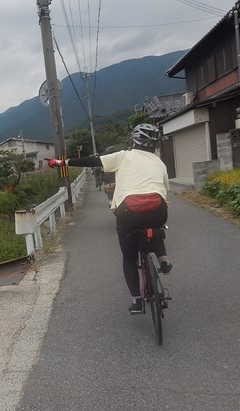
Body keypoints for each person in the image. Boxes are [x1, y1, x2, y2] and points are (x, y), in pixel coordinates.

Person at [46, 123, 172, 315]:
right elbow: (164, 190)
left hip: (128, 211)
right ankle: (163, 260)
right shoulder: (159, 163)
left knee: (129, 257)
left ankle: (137, 300)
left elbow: (93, 161)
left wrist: (62, 163)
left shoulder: (123, 156)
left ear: (133, 142)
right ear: (154, 145)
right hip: (158, 208)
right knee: (157, 226)